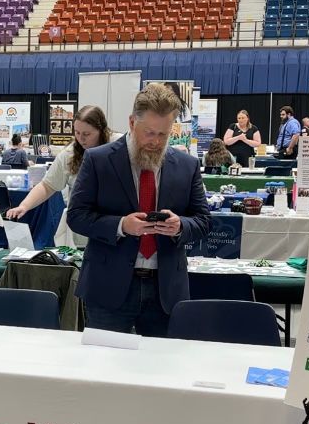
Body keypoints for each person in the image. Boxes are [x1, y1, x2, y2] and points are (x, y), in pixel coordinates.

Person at [67, 82, 211, 337]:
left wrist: (180, 226)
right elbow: (76, 216)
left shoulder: (187, 166)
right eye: (149, 132)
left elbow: (203, 221)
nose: (155, 141)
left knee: (162, 371)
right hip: (108, 287)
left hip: (165, 290)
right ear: (132, 123)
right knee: (103, 369)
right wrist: (121, 225)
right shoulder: (99, 160)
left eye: (163, 134)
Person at [6, 105, 111, 224]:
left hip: (115, 219)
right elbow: (47, 185)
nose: (81, 139)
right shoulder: (69, 154)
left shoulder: (119, 146)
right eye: (77, 132)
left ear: (101, 130)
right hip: (85, 222)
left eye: (86, 134)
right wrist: (24, 206)